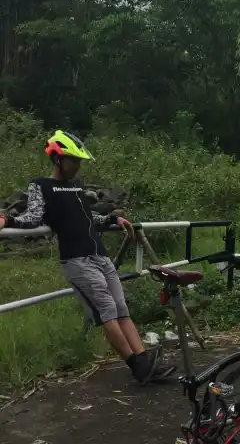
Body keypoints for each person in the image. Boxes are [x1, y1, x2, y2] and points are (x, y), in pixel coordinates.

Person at [0, 130, 176, 386]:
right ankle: (137, 367)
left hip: (99, 256)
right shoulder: (41, 185)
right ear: (58, 159)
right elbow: (33, 216)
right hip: (77, 260)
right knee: (107, 311)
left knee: (121, 308)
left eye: (79, 161)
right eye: (73, 160)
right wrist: (7, 219)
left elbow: (88, 217)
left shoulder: (76, 188)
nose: (77, 166)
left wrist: (114, 219)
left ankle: (146, 361)